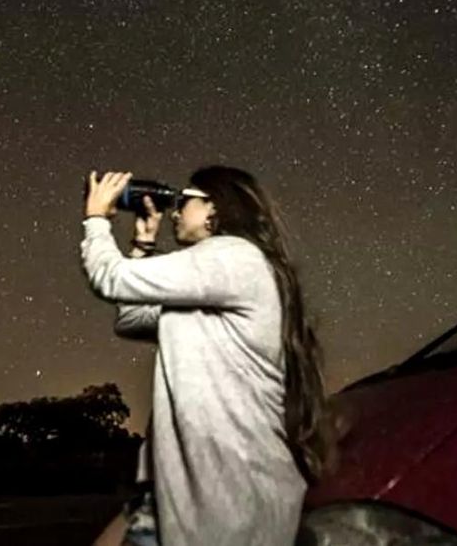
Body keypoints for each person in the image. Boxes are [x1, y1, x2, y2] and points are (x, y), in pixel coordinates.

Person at [81, 167, 338, 546]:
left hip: (225, 499)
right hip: (189, 491)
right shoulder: (215, 275)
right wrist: (144, 245)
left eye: (184, 202)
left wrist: (96, 217)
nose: (173, 212)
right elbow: (132, 318)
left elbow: (110, 276)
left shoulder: (233, 256)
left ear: (214, 207)